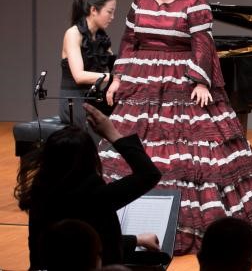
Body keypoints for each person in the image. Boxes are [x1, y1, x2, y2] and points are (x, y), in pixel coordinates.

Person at [102, 0, 252, 254]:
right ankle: (125, 221)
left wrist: (200, 82)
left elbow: (202, 44)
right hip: (142, 83)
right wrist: (118, 78)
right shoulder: (141, 0)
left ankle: (182, 224)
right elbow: (129, 40)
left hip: (181, 81)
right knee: (131, 145)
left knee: (192, 155)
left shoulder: (193, 1)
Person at [16, 103, 162, 269]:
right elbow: (149, 174)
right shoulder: (96, 195)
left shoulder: (40, 192)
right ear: (90, 160)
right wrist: (112, 133)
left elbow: (72, 245)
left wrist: (136, 240)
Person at [60, 0, 117, 132]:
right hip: (74, 101)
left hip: (94, 98)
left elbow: (115, 67)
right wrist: (112, 77)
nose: (112, 17)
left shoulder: (101, 37)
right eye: (109, 12)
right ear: (93, 10)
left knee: (126, 116)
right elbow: (79, 76)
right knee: (99, 127)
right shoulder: (73, 34)